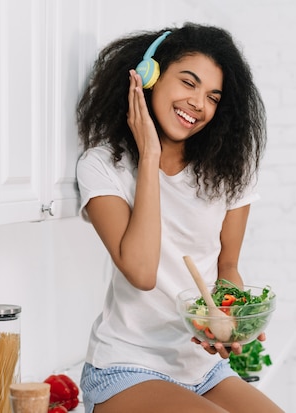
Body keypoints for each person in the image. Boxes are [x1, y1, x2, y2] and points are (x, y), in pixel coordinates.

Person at [75, 22, 283, 413]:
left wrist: (229, 318)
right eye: (188, 83)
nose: (199, 103)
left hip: (204, 369)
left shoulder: (230, 172)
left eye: (213, 97)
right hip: (127, 366)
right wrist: (149, 157)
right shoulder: (103, 166)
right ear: (151, 75)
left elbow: (228, 265)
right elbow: (142, 271)